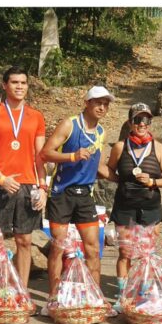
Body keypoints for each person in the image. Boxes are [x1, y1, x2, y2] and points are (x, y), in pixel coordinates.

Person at [39, 85, 115, 312]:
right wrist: (72, 156)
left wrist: (123, 179)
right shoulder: (69, 124)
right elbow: (45, 153)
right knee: (58, 247)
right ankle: (53, 298)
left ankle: (96, 296)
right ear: (87, 103)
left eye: (106, 103)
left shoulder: (101, 132)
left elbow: (98, 165)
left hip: (85, 196)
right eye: (98, 102)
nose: (102, 107)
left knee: (93, 247)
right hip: (62, 193)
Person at [99, 103, 162, 313]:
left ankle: (144, 293)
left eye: (146, 120)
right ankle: (123, 296)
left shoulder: (158, 148)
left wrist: (152, 182)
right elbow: (109, 170)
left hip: (150, 208)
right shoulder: (120, 147)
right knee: (125, 253)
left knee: (146, 254)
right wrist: (120, 180)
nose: (142, 124)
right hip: (125, 207)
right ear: (130, 122)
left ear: (150, 123)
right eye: (137, 120)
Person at [0, 66, 47, 290]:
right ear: (4, 85)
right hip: (0, 185)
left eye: (23, 83)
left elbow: (40, 156)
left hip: (28, 185)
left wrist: (44, 188)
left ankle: (21, 291)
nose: (19, 86)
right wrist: (0, 177)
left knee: (24, 241)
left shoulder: (36, 116)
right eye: (15, 82)